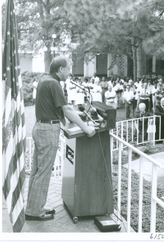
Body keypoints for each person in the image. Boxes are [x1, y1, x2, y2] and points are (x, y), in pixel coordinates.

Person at [25, 56, 96, 221]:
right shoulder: (54, 84)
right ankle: (35, 211)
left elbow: (58, 107)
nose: (69, 72)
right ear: (61, 69)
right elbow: (66, 110)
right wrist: (86, 128)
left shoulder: (45, 80)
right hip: (48, 129)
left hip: (41, 127)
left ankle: (34, 207)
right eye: (68, 69)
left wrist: (73, 114)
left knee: (37, 171)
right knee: (43, 172)